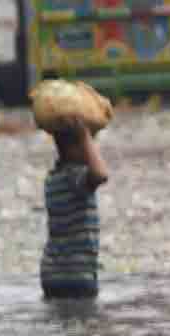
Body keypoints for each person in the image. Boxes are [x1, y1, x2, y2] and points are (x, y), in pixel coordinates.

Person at [41, 116, 109, 299]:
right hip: (78, 275)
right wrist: (85, 134)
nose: (92, 152)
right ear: (74, 148)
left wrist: (84, 137)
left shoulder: (53, 178)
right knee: (84, 317)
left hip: (51, 275)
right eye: (89, 146)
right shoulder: (76, 177)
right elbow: (101, 174)